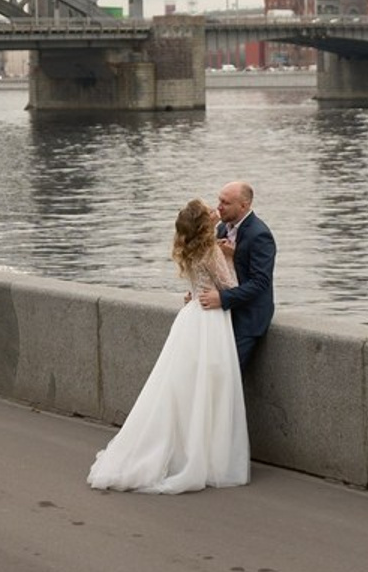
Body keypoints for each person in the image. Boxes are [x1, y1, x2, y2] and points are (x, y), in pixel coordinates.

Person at [87, 198, 249, 494]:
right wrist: (231, 256)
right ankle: (206, 455)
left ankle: (179, 450)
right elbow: (231, 289)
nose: (216, 211)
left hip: (191, 317)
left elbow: (195, 285)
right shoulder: (212, 251)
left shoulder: (189, 249)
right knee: (210, 386)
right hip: (210, 321)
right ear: (204, 223)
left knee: (181, 388)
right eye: (210, 211)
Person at [198, 180, 275, 369]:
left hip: (248, 320)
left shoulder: (260, 235)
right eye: (219, 201)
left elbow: (260, 283)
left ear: (244, 205)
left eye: (225, 203)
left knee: (228, 375)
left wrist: (222, 298)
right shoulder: (222, 228)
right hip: (224, 315)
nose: (219, 207)